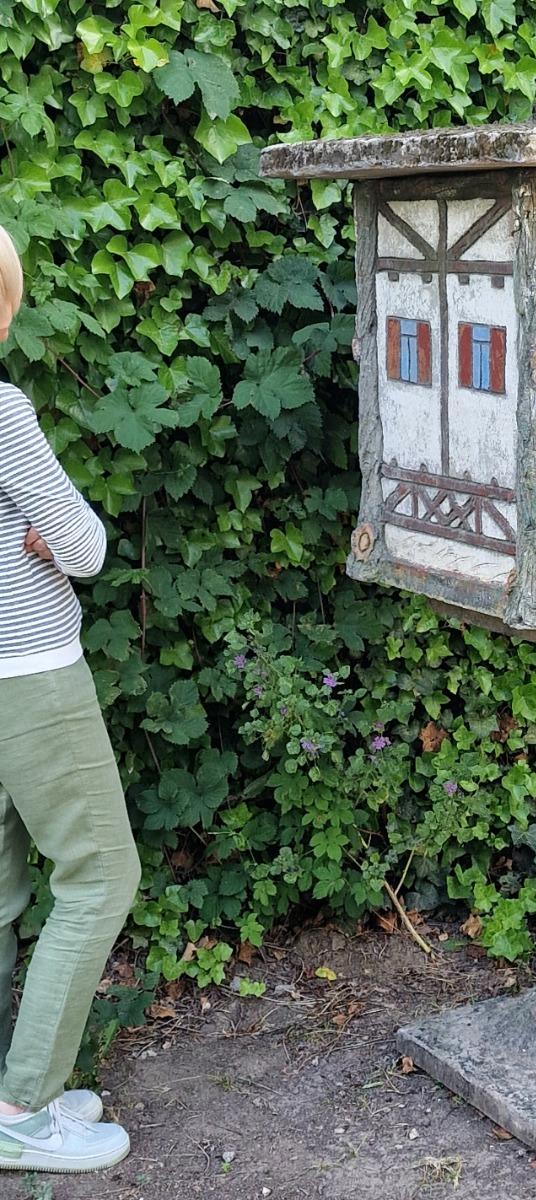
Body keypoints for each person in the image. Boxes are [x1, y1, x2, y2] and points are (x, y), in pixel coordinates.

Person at [0, 221, 140, 1172]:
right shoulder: (2, 412)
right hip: (30, 676)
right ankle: (21, 1108)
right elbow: (84, 545)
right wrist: (61, 542)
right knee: (100, 876)